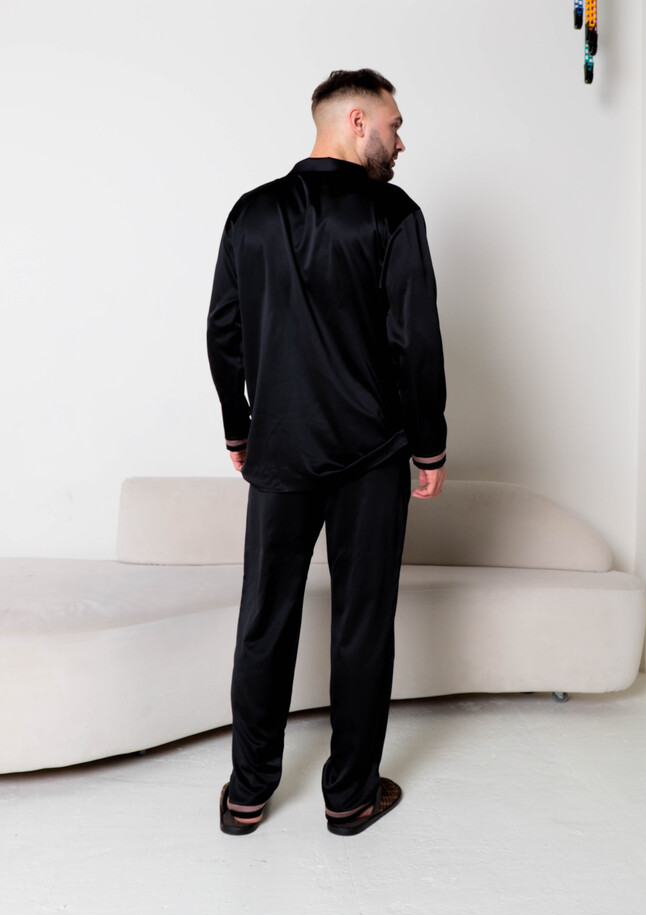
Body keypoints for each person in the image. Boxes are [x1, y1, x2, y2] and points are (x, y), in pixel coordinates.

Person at [206, 68, 447, 837]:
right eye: (394, 125)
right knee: (363, 622)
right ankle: (348, 798)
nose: (401, 142)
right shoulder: (394, 215)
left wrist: (239, 426)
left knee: (264, 619)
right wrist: (430, 444)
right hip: (371, 455)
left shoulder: (251, 213)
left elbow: (223, 333)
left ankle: (248, 794)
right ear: (356, 120)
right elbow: (416, 341)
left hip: (279, 449)